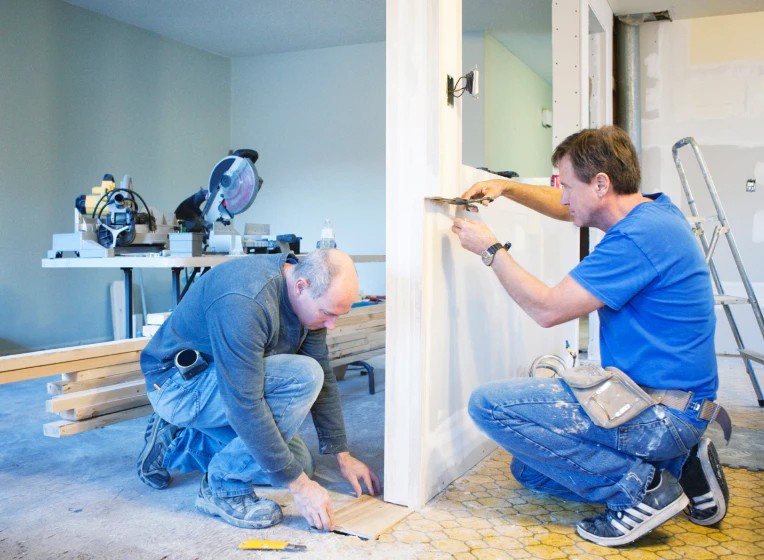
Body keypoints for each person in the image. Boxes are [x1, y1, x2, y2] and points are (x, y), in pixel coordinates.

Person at [451, 126, 729, 547]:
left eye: (567, 186)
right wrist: (507, 187)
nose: (562, 197)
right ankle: (679, 467)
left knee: (488, 406)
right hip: (663, 399)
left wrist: (491, 249)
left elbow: (547, 309)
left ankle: (643, 489)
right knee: (528, 470)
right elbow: (572, 209)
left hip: (659, 410)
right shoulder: (652, 213)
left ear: (601, 183)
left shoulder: (637, 239)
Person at [136, 248, 381, 531]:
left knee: (299, 463)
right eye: (327, 314)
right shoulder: (245, 300)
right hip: (177, 386)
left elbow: (325, 376)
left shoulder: (309, 302)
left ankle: (180, 440)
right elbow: (244, 403)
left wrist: (342, 455)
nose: (332, 325)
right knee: (303, 377)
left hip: (224, 382)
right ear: (302, 286)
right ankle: (222, 487)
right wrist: (300, 488)